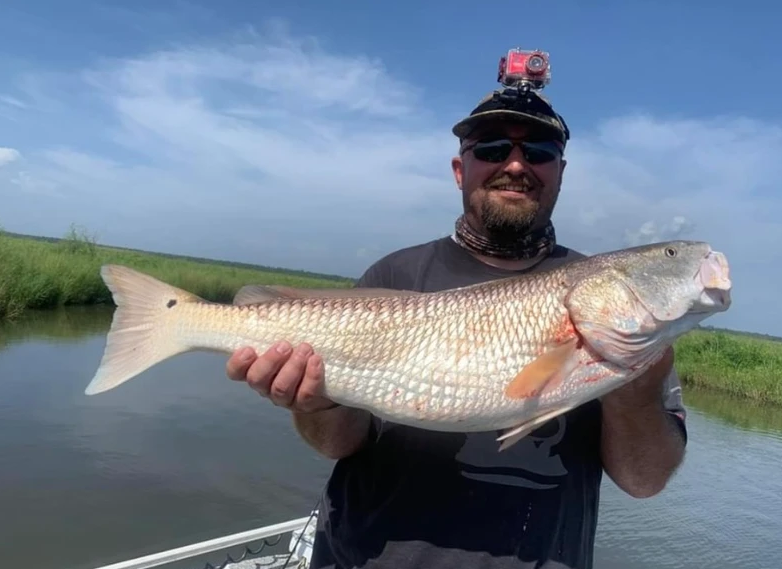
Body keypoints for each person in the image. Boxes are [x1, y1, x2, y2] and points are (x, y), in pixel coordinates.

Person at [226, 82, 688, 569]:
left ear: (560, 173)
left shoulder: (610, 296)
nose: (515, 165)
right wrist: (312, 403)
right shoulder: (394, 277)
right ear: (459, 169)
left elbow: (645, 480)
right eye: (490, 148)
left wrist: (636, 387)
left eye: (539, 151)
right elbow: (338, 443)